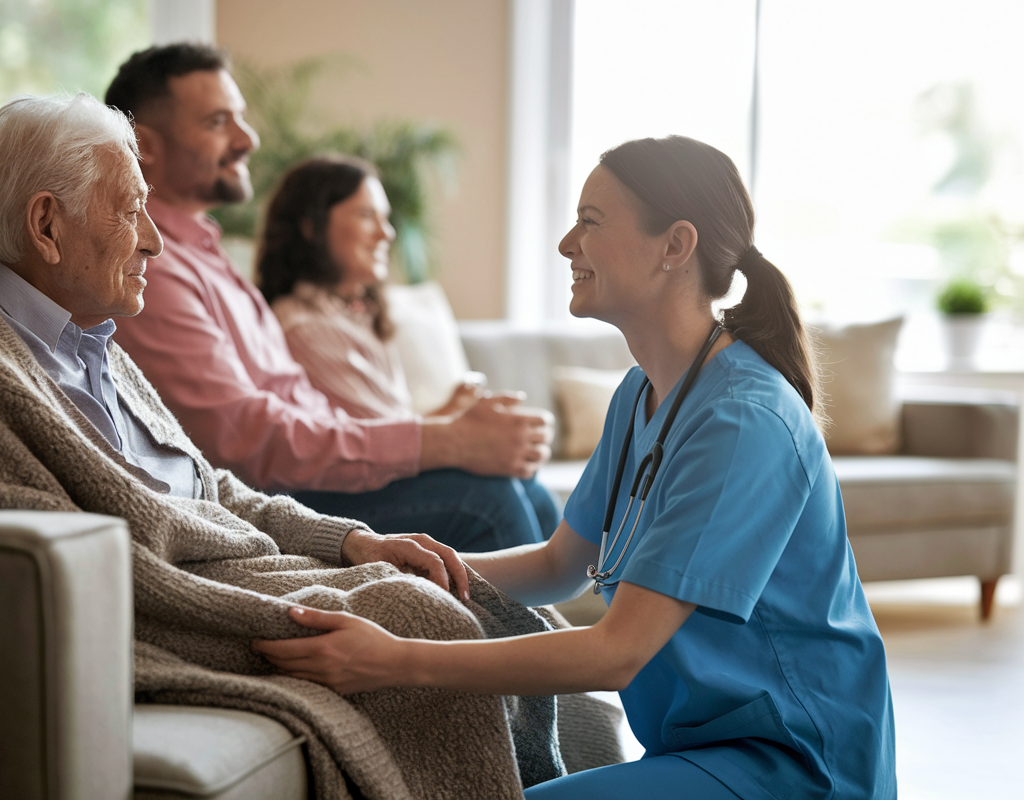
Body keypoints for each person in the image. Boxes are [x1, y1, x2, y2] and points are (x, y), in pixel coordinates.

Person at [0, 92, 621, 799]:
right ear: (45, 225)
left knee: (473, 604)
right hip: (168, 613)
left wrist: (351, 541)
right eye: (132, 210)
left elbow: (213, 489)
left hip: (238, 571)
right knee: (420, 615)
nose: (154, 241)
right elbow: (63, 573)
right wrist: (281, 613)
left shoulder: (97, 347)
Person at [254, 136, 898, 799]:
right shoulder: (641, 392)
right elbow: (561, 563)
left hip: (796, 763)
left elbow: (617, 652)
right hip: (708, 749)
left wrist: (394, 661)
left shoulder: (743, 420)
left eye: (590, 222)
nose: (567, 243)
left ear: (675, 246)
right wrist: (396, 568)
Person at [104, 43, 558, 553]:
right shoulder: (152, 268)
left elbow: (308, 410)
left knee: (528, 492)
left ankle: (581, 635)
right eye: (217, 122)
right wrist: (447, 440)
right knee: (490, 500)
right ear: (145, 146)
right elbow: (242, 439)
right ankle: (542, 636)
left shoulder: (207, 255)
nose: (248, 139)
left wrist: (445, 430)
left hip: (302, 481)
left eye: (241, 119)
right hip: (268, 501)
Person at [253, 153, 558, 544]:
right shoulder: (306, 329)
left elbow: (389, 431)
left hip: (370, 478)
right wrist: (462, 426)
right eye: (366, 216)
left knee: (528, 487)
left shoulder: (353, 315)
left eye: (385, 217)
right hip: (329, 495)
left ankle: (554, 604)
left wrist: (456, 414)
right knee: (492, 498)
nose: (387, 233)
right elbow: (379, 451)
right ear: (311, 227)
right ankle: (530, 606)